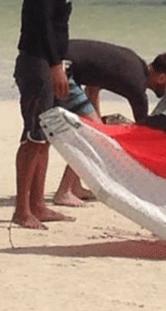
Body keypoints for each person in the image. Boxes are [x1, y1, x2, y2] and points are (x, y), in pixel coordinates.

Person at [12, 0, 108, 230]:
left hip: (50, 63)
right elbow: (41, 25)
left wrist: (61, 64)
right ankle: (22, 210)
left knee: (47, 137)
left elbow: (57, 28)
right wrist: (54, 66)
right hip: (37, 63)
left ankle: (38, 205)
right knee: (34, 136)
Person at [52, 39, 151, 207]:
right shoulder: (137, 83)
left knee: (93, 130)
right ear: (163, 76)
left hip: (56, 60)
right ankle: (64, 192)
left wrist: (100, 126)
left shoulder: (130, 61)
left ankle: (74, 187)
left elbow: (92, 89)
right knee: (91, 135)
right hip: (61, 69)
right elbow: (144, 129)